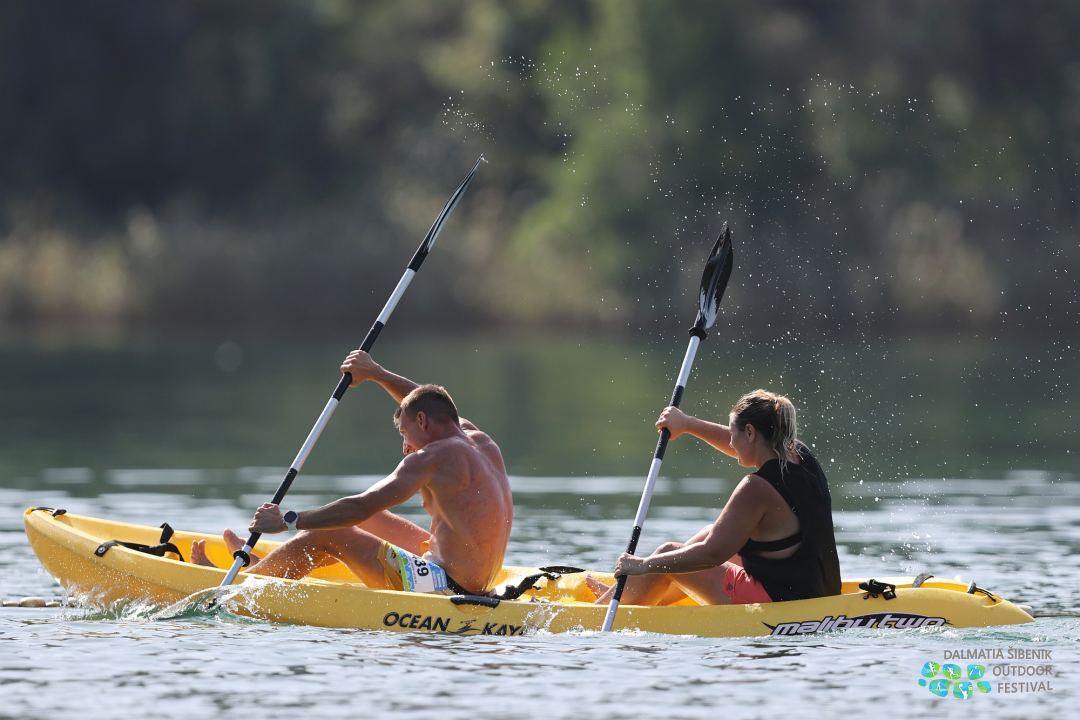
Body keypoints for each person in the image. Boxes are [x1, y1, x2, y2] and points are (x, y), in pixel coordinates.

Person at [191, 350, 513, 596]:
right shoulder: (479, 441)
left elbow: (359, 506)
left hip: (446, 588)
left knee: (332, 529)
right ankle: (267, 567)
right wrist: (375, 373)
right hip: (473, 576)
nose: (405, 447)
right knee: (365, 520)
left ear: (422, 422)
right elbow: (429, 402)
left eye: (404, 434)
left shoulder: (430, 458)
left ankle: (241, 586)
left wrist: (286, 521)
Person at [590, 389, 841, 606]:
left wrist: (644, 564)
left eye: (734, 432)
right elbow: (741, 445)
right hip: (819, 587)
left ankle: (607, 607)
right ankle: (630, 592)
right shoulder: (800, 454)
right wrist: (687, 424)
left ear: (751, 433)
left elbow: (711, 555)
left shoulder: (756, 488)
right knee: (710, 532)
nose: (730, 442)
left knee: (667, 554)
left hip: (782, 600)